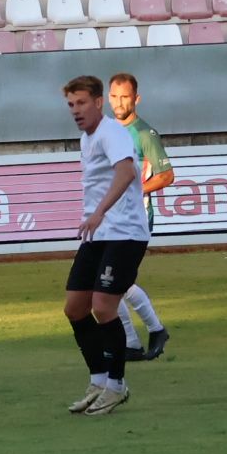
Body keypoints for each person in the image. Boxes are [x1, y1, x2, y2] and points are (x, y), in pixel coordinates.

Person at [60, 75, 149, 416]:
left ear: (98, 102)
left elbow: (126, 172)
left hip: (124, 233)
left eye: (81, 103)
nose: (76, 110)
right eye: (71, 105)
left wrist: (99, 212)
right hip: (99, 234)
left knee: (103, 307)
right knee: (75, 308)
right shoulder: (88, 137)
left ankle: (116, 385)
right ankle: (98, 380)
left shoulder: (112, 133)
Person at [105, 72, 171, 361]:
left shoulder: (145, 134)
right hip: (111, 217)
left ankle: (153, 330)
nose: (119, 102)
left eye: (125, 96)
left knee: (113, 280)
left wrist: (134, 189)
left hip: (135, 218)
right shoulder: (106, 130)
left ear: (136, 99)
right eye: (114, 96)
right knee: (108, 281)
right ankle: (133, 342)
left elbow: (167, 175)